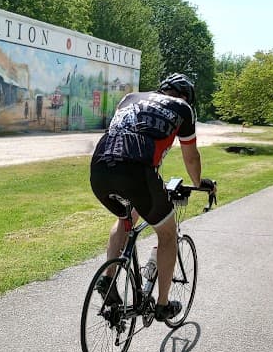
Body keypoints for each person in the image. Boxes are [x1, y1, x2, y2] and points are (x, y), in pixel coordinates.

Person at [90, 73, 215, 323]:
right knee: (168, 234)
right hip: (137, 173)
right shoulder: (183, 108)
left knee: (125, 219)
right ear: (185, 96)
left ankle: (108, 278)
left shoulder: (129, 98)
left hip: (100, 168)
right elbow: (191, 157)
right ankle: (162, 305)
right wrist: (199, 183)